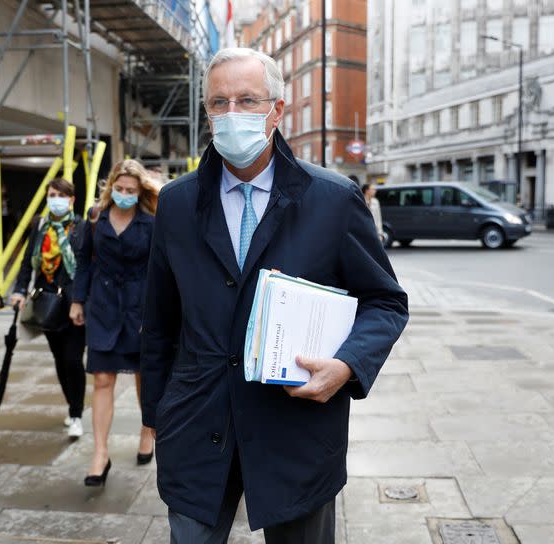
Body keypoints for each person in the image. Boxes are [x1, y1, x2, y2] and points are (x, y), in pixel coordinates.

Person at [140, 48, 409, 542]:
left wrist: (348, 364)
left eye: (247, 100)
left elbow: (385, 302)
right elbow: (158, 320)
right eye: (218, 103)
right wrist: (156, 416)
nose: (231, 114)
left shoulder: (332, 199)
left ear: (277, 110)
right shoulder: (176, 203)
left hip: (296, 432)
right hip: (197, 429)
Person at [70, 159, 159, 486]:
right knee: (102, 379)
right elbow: (83, 262)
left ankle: (147, 432)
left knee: (142, 377)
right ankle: (100, 454)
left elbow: (158, 271)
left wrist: (156, 313)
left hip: (139, 309)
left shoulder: (151, 223)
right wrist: (78, 301)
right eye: (119, 189)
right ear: (111, 188)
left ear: (140, 191)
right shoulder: (95, 219)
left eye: (131, 190)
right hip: (103, 308)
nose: (124, 194)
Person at [11, 178, 87, 439]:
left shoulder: (81, 228)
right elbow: (26, 262)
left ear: (71, 200)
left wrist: (85, 299)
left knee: (72, 359)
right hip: (46, 303)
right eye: (51, 194)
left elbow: (87, 266)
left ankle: (77, 413)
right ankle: (72, 405)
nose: (55, 199)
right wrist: (20, 290)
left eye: (60, 195)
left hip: (75, 304)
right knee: (59, 359)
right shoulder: (40, 227)